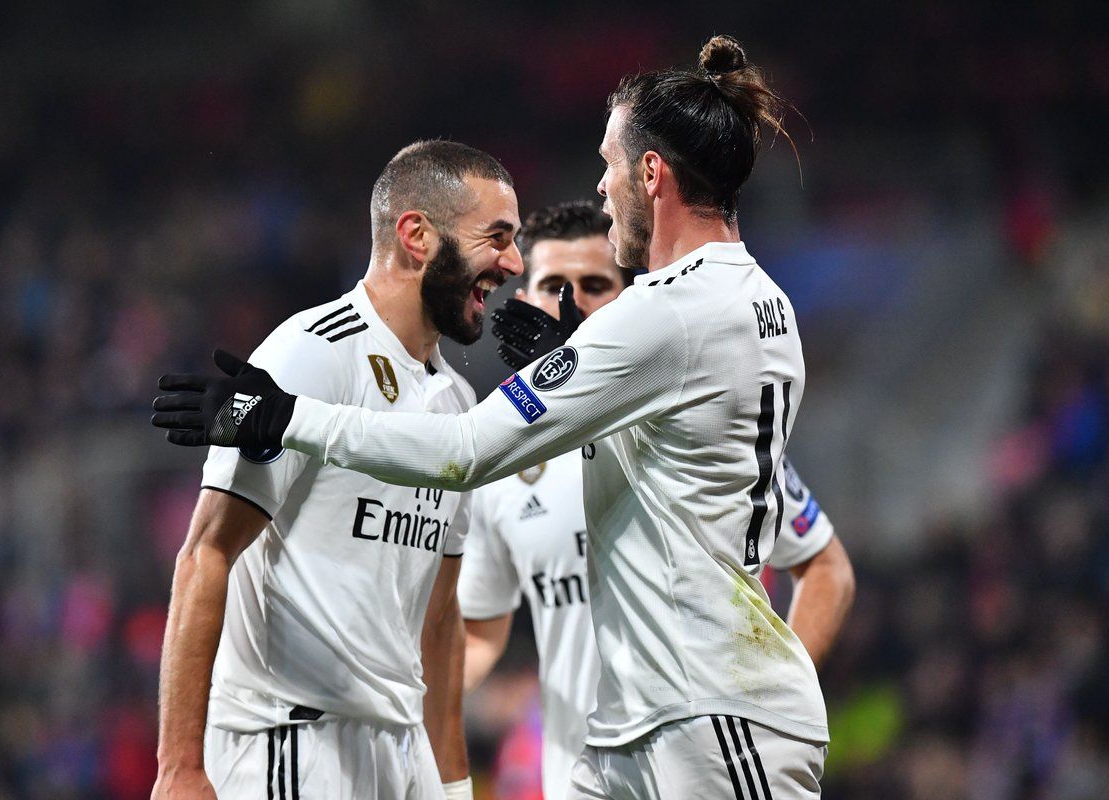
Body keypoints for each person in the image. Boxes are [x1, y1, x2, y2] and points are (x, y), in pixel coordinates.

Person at [154, 35, 831, 798]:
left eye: (609, 166)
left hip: (712, 710)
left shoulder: (663, 313)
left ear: (651, 173)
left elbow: (469, 451)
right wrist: (587, 364)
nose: (601, 189)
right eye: (498, 239)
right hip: (637, 722)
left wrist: (283, 418)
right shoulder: (754, 300)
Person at [149, 140, 523, 800]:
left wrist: (455, 783)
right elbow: (205, 555)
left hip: (401, 752)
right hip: (292, 745)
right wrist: (180, 766)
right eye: (496, 238)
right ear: (416, 235)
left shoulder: (458, 403)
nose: (513, 263)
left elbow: (440, 623)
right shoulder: (310, 357)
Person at [460, 201, 855, 800]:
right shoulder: (502, 469)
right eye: (552, 287)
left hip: (705, 758)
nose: (575, 304)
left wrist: (764, 703)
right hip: (578, 780)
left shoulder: (690, 438)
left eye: (595, 286)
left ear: (629, 300)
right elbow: (481, 630)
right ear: (524, 303)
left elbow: (827, 568)